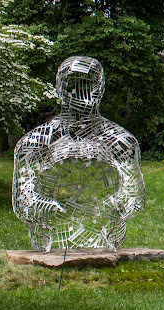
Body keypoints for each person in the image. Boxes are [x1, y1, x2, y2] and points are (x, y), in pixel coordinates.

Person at [13, 56, 145, 251]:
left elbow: (134, 196)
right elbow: (22, 195)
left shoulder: (122, 142)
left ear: (101, 89)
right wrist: (45, 207)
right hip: (52, 238)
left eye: (90, 86)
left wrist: (109, 207)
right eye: (73, 86)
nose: (83, 96)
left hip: (104, 237)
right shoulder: (34, 143)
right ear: (60, 89)